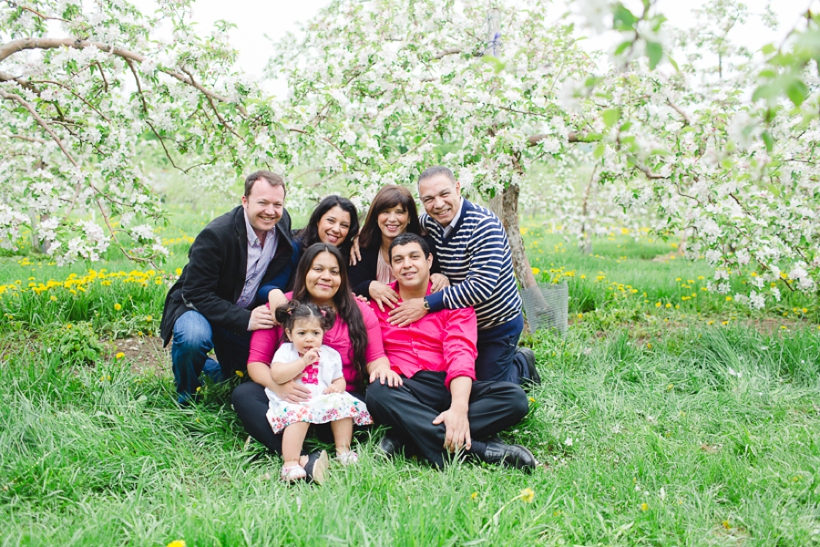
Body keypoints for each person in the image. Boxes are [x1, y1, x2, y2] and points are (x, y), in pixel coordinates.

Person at [366, 233, 536, 470]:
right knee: (377, 391)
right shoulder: (377, 304)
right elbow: (370, 352)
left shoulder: (452, 303)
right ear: (391, 267)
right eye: (399, 259)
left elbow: (460, 354)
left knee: (514, 399)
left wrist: (458, 408)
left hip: (445, 383)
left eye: (414, 257)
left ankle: (406, 436)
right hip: (405, 388)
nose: (407, 264)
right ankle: (480, 451)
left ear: (429, 261)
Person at [232, 243, 396, 483]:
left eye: (334, 271)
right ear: (304, 272)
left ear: (342, 277)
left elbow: (375, 357)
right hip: (292, 402)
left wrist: (381, 370)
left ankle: (336, 448)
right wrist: (279, 387)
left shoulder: (359, 310)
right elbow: (257, 363)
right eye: (318, 269)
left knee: (378, 397)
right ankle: (302, 457)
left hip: (336, 404)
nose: (326, 277)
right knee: (244, 394)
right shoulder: (281, 309)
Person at [387, 166, 539, 386]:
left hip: (495, 324)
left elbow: (479, 288)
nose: (438, 204)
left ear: (458, 188)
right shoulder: (430, 222)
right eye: (429, 199)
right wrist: (360, 239)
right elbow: (396, 227)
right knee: (455, 382)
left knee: (483, 391)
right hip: (460, 322)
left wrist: (426, 304)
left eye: (444, 194)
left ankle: (522, 362)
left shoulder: (484, 226)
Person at [159, 170, 294, 404]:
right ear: (245, 201)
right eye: (262, 202)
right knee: (193, 338)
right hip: (196, 307)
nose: (270, 211)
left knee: (243, 374)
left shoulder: (281, 225)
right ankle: (186, 397)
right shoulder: (216, 235)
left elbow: (297, 244)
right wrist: (246, 319)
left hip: (239, 308)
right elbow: (195, 293)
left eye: (277, 204)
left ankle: (207, 367)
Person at [266, 300, 372, 482]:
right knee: (297, 417)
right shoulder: (286, 352)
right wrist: (303, 362)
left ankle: (343, 450)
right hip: (296, 400)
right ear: (289, 334)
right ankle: (290, 463)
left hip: (321, 399)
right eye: (302, 333)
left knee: (342, 404)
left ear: (323, 333)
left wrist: (337, 387)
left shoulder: (330, 355)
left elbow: (338, 378)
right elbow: (276, 375)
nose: (309, 338)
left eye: (315, 333)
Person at [348, 185, 448, 311]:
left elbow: (436, 287)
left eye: (399, 212)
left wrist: (442, 277)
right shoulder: (362, 249)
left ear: (410, 216)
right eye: (385, 212)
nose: (392, 219)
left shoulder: (424, 246)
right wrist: (368, 286)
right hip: (377, 320)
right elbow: (350, 292)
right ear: (376, 216)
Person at [258, 195, 359, 311]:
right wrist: (275, 294)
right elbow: (265, 289)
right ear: (318, 221)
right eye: (331, 221)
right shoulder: (295, 248)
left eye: (344, 225)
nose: (336, 229)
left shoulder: (350, 254)